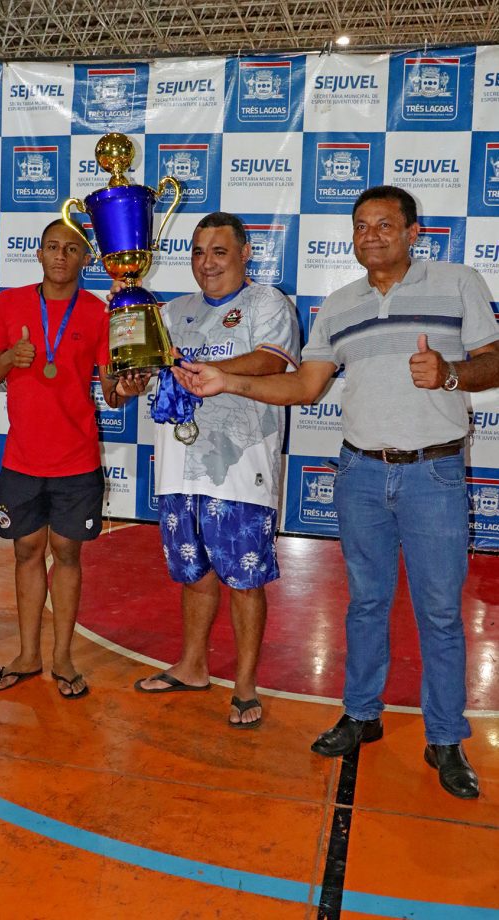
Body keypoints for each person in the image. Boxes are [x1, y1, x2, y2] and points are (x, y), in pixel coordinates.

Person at [174, 186, 499, 796]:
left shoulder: (458, 283)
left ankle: (447, 738)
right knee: (366, 603)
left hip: (434, 474)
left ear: (412, 232)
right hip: (360, 475)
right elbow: (303, 388)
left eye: (384, 224)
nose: (371, 235)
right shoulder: (340, 306)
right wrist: (224, 382)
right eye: (360, 226)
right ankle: (361, 714)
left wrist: (452, 373)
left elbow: (495, 359)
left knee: (438, 612)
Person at [133, 212, 299, 729]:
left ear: (246, 253)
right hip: (179, 469)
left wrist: (218, 374)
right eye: (199, 251)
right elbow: (148, 377)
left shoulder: (268, 302)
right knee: (194, 573)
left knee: (245, 581)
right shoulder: (170, 311)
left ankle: (246, 685)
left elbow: (273, 362)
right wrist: (133, 376)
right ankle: (193, 666)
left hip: (240, 469)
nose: (207, 262)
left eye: (219, 251)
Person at [0, 219, 146, 698]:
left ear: (85, 259)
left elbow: (111, 392)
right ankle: (29, 654)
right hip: (22, 460)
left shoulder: (97, 311)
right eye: (51, 246)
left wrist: (127, 388)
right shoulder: (10, 303)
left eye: (70, 249)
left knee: (67, 554)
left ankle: (63, 658)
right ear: (38, 253)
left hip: (76, 461)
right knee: (26, 552)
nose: (59, 255)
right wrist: (11, 357)